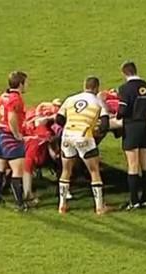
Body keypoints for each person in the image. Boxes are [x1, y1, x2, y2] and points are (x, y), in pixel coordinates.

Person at [55, 76, 111, 215]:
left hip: (67, 136)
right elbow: (105, 125)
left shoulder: (70, 99)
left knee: (66, 170)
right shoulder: (99, 102)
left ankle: (62, 206)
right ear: (97, 88)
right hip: (84, 136)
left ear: (84, 86)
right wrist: (95, 131)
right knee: (94, 171)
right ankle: (99, 207)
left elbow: (59, 119)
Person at [116, 61, 146, 210]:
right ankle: (144, 198)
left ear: (124, 73)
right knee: (145, 163)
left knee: (133, 165)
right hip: (145, 127)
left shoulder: (125, 89)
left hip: (132, 127)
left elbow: (122, 111)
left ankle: (134, 200)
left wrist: (118, 117)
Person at [0, 71, 28, 210]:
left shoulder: (3, 96)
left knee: (0, 167)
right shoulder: (15, 99)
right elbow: (12, 117)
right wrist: (17, 134)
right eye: (26, 82)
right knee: (17, 171)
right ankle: (20, 204)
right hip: (10, 137)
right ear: (20, 84)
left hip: (0, 134)